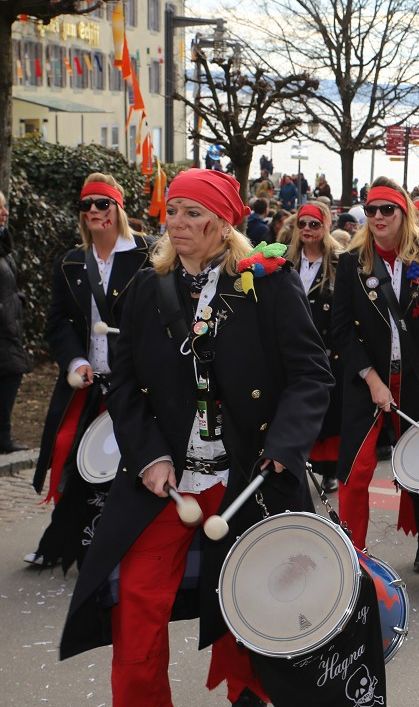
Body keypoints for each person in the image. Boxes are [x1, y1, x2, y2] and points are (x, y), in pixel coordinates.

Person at [59, 169, 337, 707]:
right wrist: (149, 457)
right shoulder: (146, 287)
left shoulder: (270, 284)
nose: (177, 224)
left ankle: (252, 694)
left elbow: (311, 374)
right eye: (173, 212)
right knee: (137, 602)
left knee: (253, 605)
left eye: (193, 213)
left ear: (223, 221)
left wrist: (282, 449)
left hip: (248, 475)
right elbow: (126, 384)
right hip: (168, 481)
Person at [331, 176, 419, 608]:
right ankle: (354, 565)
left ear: (404, 213)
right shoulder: (353, 261)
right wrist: (372, 380)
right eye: (371, 210)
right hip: (367, 380)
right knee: (355, 474)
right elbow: (340, 331)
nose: (377, 218)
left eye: (387, 210)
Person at [26, 174, 152, 569]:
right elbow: (59, 322)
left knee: (132, 464)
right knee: (70, 457)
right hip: (87, 384)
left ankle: (129, 545)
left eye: (103, 203)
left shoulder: (149, 255)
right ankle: (61, 543)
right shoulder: (71, 262)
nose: (95, 211)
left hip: (135, 386)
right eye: (87, 205)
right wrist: (75, 362)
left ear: (118, 208)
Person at [286, 201, 343, 491]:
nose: (308, 230)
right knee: (293, 409)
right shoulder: (286, 258)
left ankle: (329, 470)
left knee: (327, 413)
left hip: (327, 348)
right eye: (303, 224)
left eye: (314, 224)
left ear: (325, 227)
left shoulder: (339, 261)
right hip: (291, 346)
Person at [0, 191, 31, 453]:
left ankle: (4, 437)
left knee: (12, 375)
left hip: (9, 330)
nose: (5, 212)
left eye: (4, 207)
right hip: (4, 330)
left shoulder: (5, 248)